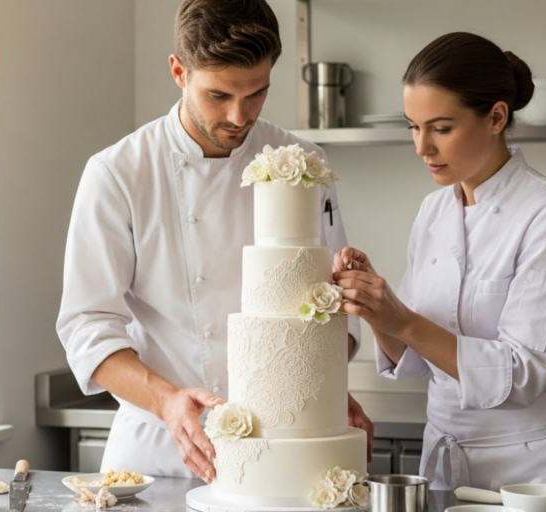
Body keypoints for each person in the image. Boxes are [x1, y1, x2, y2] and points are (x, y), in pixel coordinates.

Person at [57, 0, 373, 483]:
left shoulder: (302, 162)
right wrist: (166, 399)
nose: (238, 115)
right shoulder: (119, 173)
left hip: (278, 445)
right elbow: (87, 325)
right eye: (218, 94)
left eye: (256, 94)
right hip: (156, 451)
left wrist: (320, 395)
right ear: (178, 71)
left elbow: (325, 304)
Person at [332, 32, 546, 497]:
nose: (422, 147)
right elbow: (418, 360)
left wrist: (400, 318)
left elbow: (522, 371)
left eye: (441, 128)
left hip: (539, 471)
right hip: (445, 463)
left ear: (496, 117)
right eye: (413, 126)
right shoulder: (433, 211)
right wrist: (373, 305)